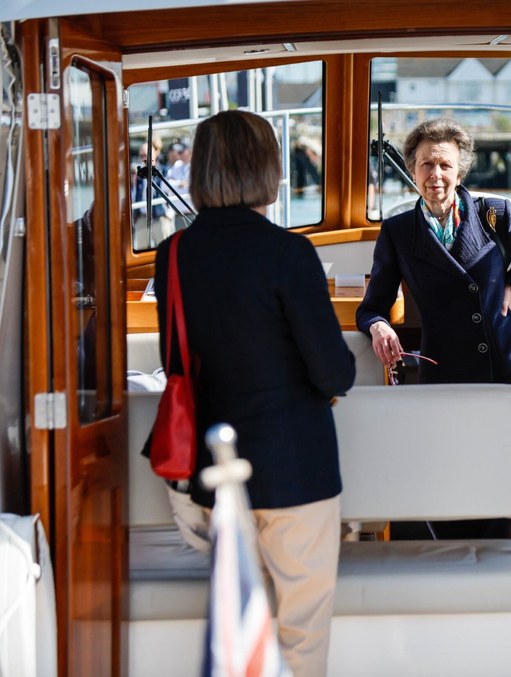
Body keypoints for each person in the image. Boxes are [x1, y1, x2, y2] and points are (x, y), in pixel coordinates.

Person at [152, 110, 356, 677]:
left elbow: (174, 364)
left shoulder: (172, 256)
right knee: (300, 636)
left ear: (202, 170)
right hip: (296, 471)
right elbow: (334, 375)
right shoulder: (289, 253)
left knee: (240, 633)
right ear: (266, 167)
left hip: (214, 478)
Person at [356, 116, 511, 540]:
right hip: (444, 369)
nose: (436, 175)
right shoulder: (397, 231)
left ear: (460, 171)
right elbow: (372, 306)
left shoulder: (495, 215)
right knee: (449, 475)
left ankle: (496, 580)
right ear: (412, 171)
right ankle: (453, 575)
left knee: (497, 474)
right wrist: (377, 327)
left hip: (504, 370)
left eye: (445, 165)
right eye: (427, 165)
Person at [132, 138, 175, 249]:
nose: (143, 159)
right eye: (141, 156)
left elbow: (171, 191)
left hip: (159, 215)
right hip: (142, 217)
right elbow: (135, 194)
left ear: (154, 155)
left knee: (165, 251)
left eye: (146, 155)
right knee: (141, 252)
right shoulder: (139, 174)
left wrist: (168, 214)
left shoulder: (164, 172)